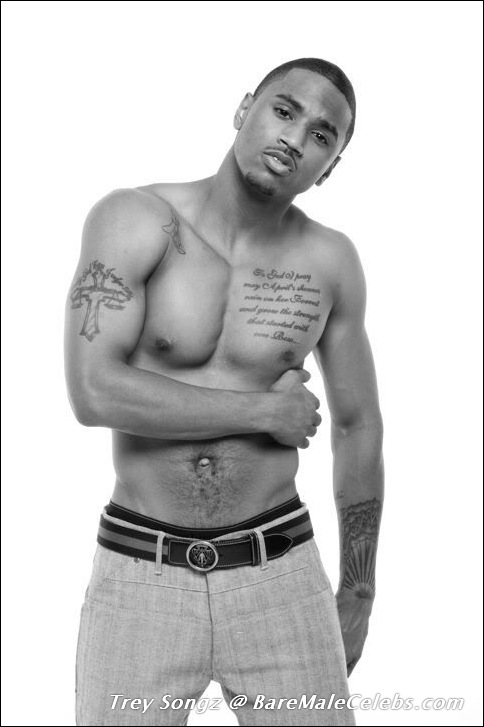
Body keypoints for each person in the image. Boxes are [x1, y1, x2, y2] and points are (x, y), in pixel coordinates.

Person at [65, 57, 384, 726]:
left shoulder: (330, 262)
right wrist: (264, 411)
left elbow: (358, 426)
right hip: (139, 574)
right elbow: (94, 390)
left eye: (322, 136)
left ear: (329, 168)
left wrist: (359, 589)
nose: (295, 138)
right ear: (244, 109)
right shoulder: (136, 218)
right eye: (284, 111)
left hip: (281, 574)